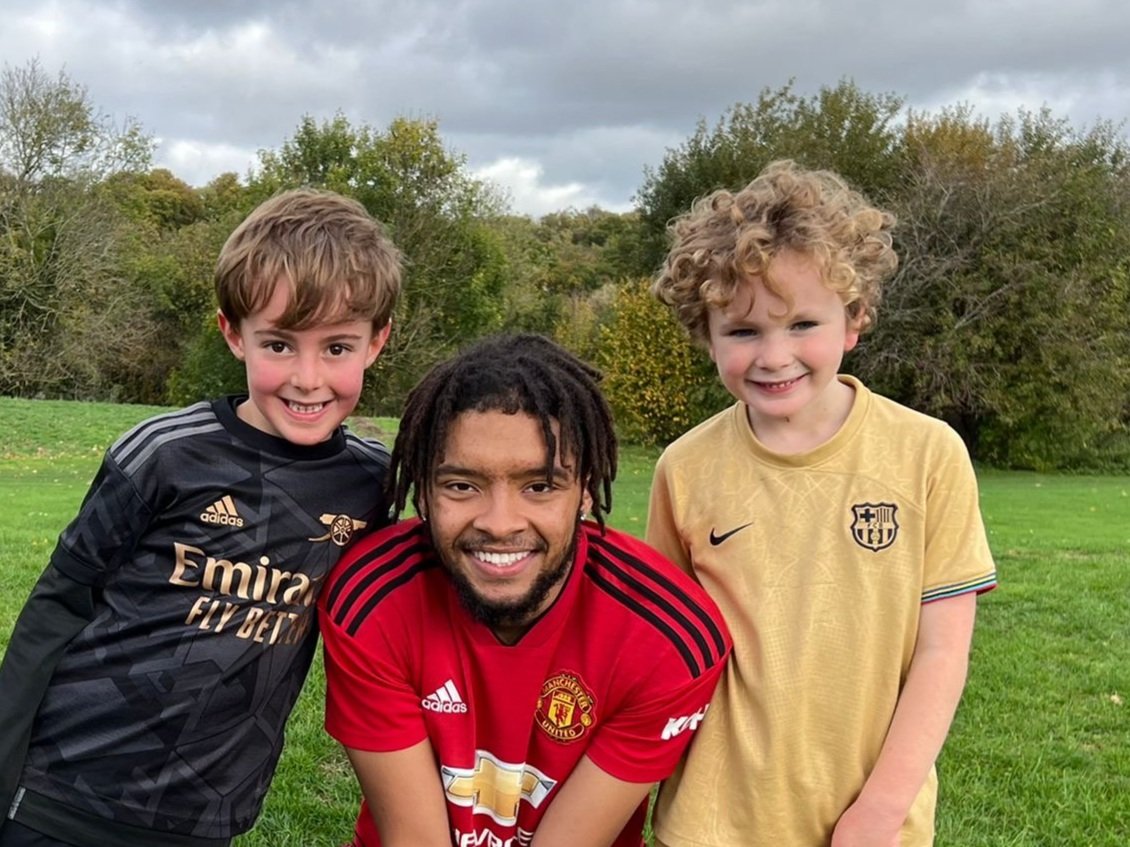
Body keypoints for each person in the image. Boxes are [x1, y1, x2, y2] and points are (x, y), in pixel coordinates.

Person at [0, 188, 402, 847]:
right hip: (63, 797)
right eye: (278, 343)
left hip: (205, 819)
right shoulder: (163, 453)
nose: (307, 378)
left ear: (376, 342)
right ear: (232, 333)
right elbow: (56, 607)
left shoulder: (372, 483)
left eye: (337, 348)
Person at [646, 160, 998, 847]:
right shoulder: (682, 469)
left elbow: (941, 654)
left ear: (854, 319)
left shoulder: (929, 454)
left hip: (870, 820)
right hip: (712, 821)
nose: (775, 355)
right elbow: (665, 653)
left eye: (803, 323)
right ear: (706, 335)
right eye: (743, 331)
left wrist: (882, 808)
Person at [319, 333, 732, 847]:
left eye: (539, 486)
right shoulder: (371, 600)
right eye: (461, 485)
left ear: (585, 489)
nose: (499, 522)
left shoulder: (669, 637)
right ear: (422, 490)